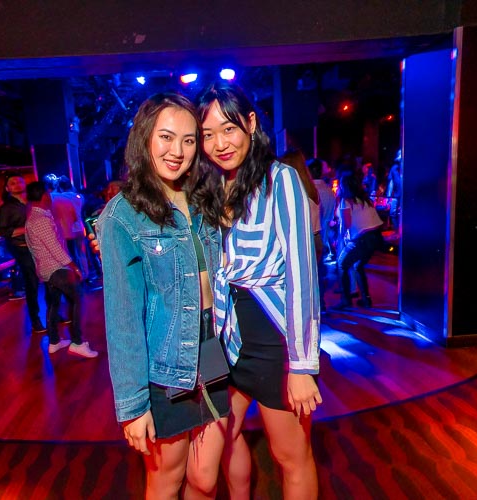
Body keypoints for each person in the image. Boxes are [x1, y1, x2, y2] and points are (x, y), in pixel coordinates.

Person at [96, 93, 229, 498]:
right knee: (166, 481)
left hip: (211, 346)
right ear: (144, 138)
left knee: (205, 479)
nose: (178, 151)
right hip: (165, 360)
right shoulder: (122, 215)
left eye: (189, 140)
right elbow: (122, 319)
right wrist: (133, 406)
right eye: (166, 137)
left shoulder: (204, 200)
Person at [197, 82, 322, 499]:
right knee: (224, 439)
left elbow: (303, 273)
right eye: (208, 134)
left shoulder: (279, 179)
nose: (219, 144)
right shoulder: (211, 187)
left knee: (291, 455)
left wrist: (301, 366)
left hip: (272, 336)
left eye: (228, 129)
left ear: (250, 123)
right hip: (224, 333)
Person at [24, 180, 98, 357]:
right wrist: (74, 266)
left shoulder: (34, 217)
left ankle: (54, 341)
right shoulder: (40, 220)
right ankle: (77, 342)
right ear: (44, 195)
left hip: (47, 269)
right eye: (48, 193)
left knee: (54, 303)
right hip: (56, 269)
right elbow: (55, 248)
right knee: (78, 298)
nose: (50, 196)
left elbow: (33, 248)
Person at [279, 150, 328, 314]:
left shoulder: (294, 194)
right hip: (315, 240)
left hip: (302, 244)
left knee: (299, 291)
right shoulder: (310, 190)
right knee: (309, 287)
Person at [0, 173, 46, 333]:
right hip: (22, 248)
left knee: (49, 278)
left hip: (40, 245)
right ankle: (35, 319)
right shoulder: (6, 208)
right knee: (31, 282)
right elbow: (3, 231)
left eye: (19, 181)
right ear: (7, 189)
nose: (17, 184)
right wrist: (27, 229)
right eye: (12, 183)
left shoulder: (33, 202)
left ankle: (53, 314)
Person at [332, 171, 384, 309]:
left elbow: (346, 224)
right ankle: (366, 300)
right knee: (358, 266)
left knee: (341, 264)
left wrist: (341, 241)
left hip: (361, 239)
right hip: (376, 237)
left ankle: (346, 300)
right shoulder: (365, 200)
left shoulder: (345, 201)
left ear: (344, 186)